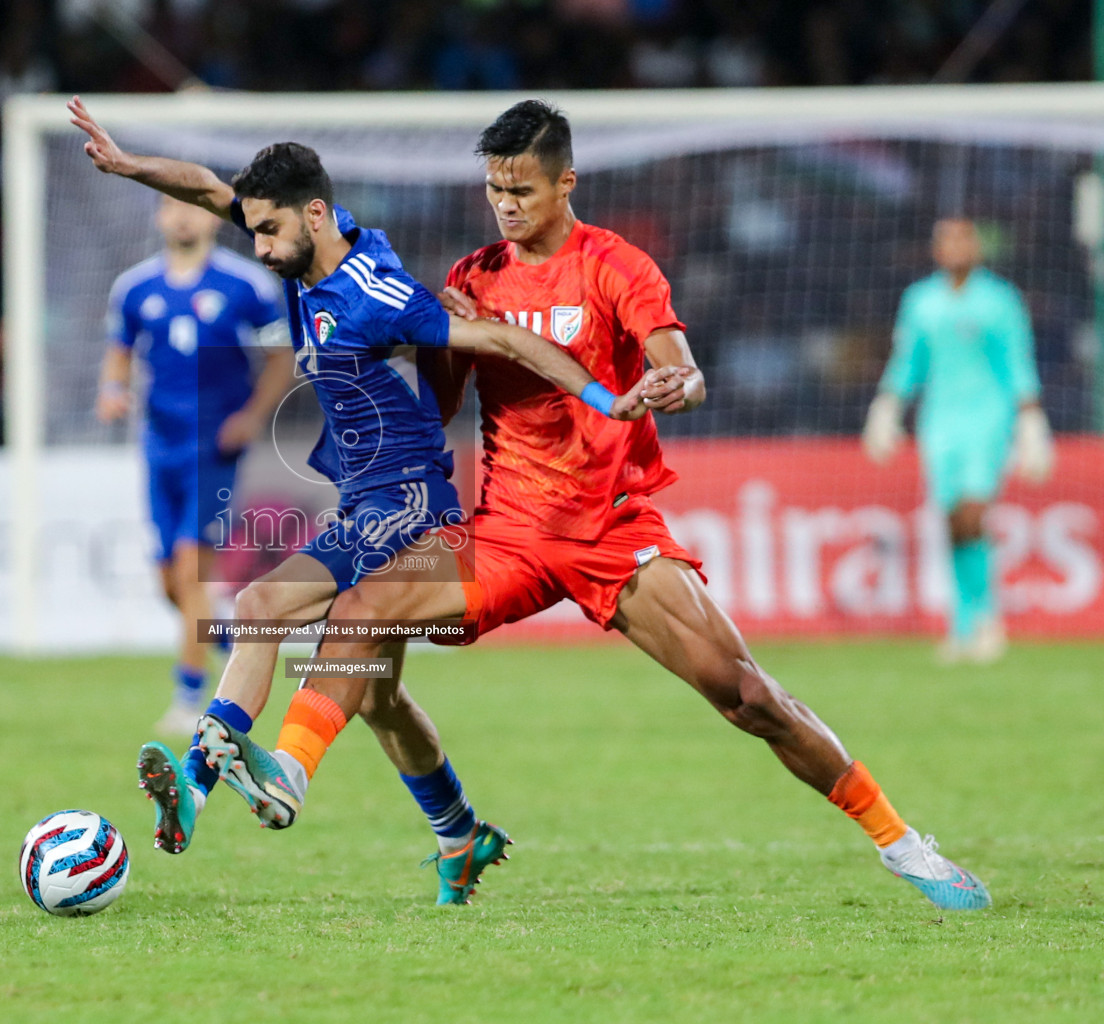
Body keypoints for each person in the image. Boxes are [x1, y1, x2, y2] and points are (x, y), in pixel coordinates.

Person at [211, 101, 992, 912]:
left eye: (521, 188)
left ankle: (901, 843)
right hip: (509, 533)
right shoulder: (474, 280)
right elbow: (437, 408)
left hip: (611, 529)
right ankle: (291, 775)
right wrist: (425, 343)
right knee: (363, 610)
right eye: (493, 189)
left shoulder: (617, 266)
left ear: (565, 183)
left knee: (749, 697)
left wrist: (675, 387)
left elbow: (676, 364)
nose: (505, 204)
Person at [68, 99, 653, 897]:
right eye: (256, 230)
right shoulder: (311, 240)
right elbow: (210, 189)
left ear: (312, 215)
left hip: (408, 502)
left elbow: (507, 340)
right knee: (380, 699)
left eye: (268, 231)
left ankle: (212, 787)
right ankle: (460, 834)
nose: (260, 245)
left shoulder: (380, 297)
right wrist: (131, 164)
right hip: (360, 500)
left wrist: (603, 396)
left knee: (265, 603)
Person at [99, 195, 296, 735]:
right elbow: (119, 351)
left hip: (214, 450)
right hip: (159, 446)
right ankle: (227, 638)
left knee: (191, 570)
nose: (182, 216)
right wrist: (112, 389)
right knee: (170, 580)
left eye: (192, 207)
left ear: (213, 218)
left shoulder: (247, 286)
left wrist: (253, 416)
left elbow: (283, 357)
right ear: (160, 217)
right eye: (170, 207)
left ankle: (189, 696)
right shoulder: (135, 288)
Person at [862, 217, 1053, 664]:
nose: (955, 247)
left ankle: (986, 618)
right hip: (939, 421)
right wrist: (888, 404)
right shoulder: (922, 300)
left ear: (977, 246)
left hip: (988, 417)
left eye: (963, 239)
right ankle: (963, 624)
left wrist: (1030, 416)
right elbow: (908, 359)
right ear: (936, 249)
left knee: (973, 511)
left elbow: (1017, 359)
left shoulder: (1000, 299)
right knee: (951, 520)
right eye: (946, 240)